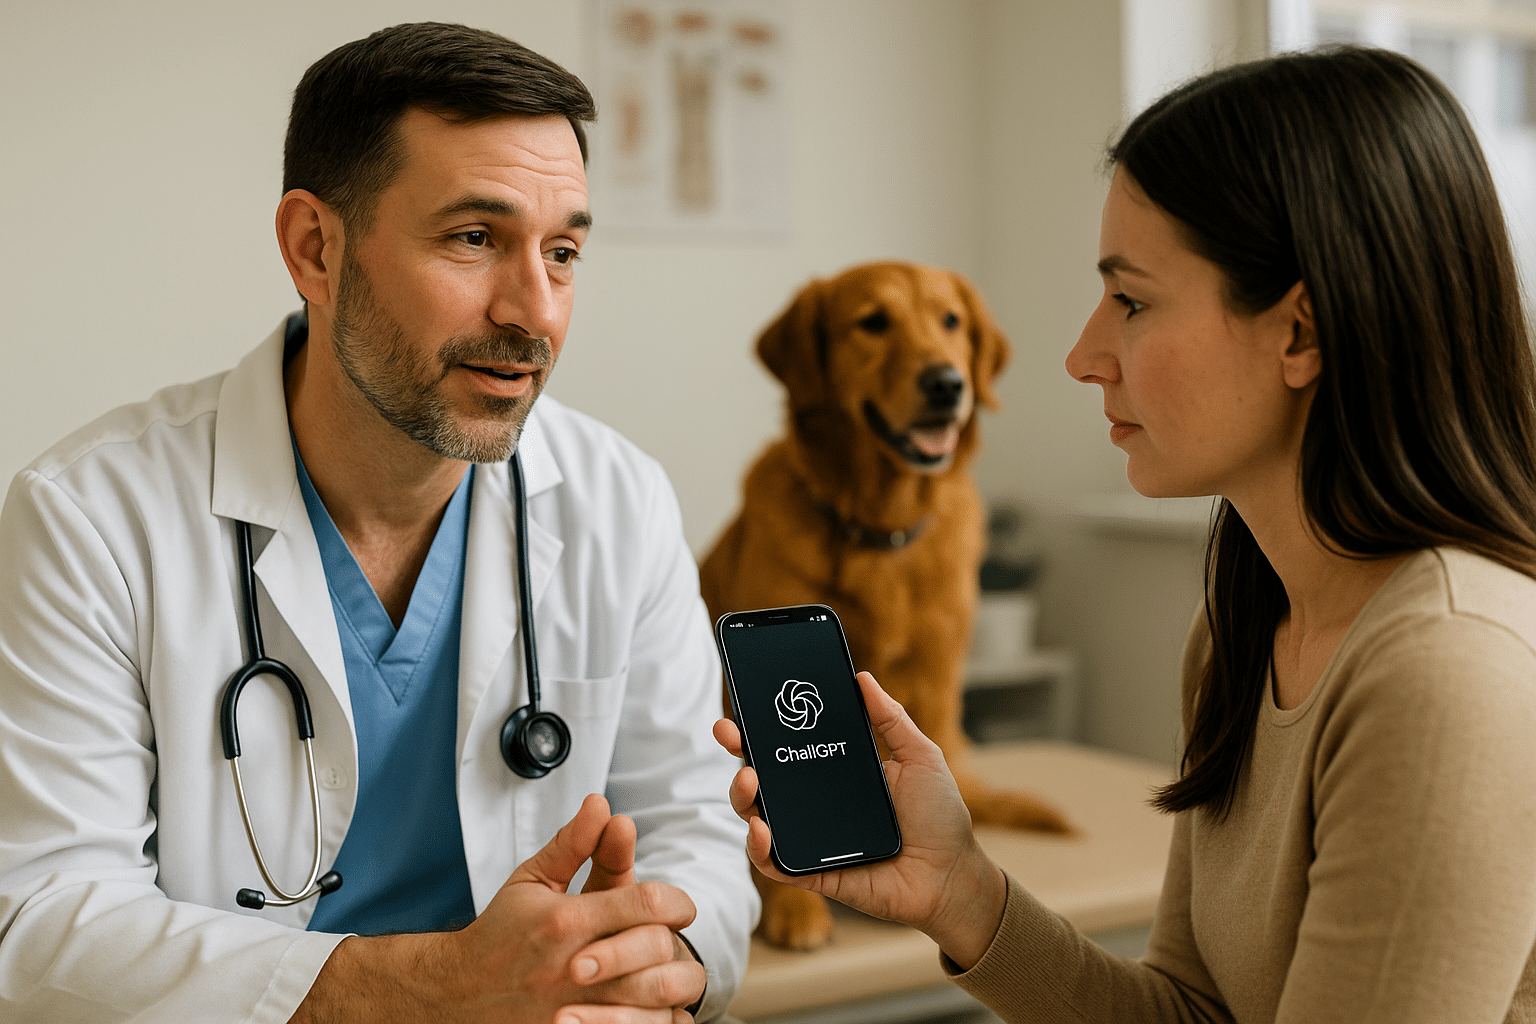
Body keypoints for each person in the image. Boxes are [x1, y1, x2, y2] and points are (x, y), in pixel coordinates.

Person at [715, 45, 1536, 1022]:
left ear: (1301, 332)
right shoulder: (1243, 623)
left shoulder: (1448, 670)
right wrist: (961, 893)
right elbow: (1190, 1008)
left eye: (1132, 300)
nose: (1081, 355)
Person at [0, 22, 754, 1024]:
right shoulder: (91, 519)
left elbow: (696, 829)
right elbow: (45, 921)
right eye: (474, 238)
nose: (535, 312)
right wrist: (440, 991)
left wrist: (652, 970)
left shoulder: (619, 498)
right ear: (316, 248)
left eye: (563, 252)